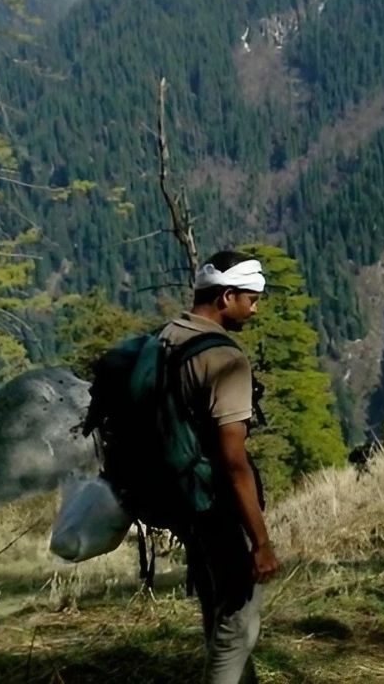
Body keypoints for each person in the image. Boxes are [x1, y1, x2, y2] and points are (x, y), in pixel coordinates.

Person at [158, 251, 279, 684]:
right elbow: (234, 461)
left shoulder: (169, 335)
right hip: (217, 504)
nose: (255, 309)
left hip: (182, 496)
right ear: (227, 296)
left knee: (218, 603)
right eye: (251, 299)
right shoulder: (225, 360)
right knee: (238, 624)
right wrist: (261, 541)